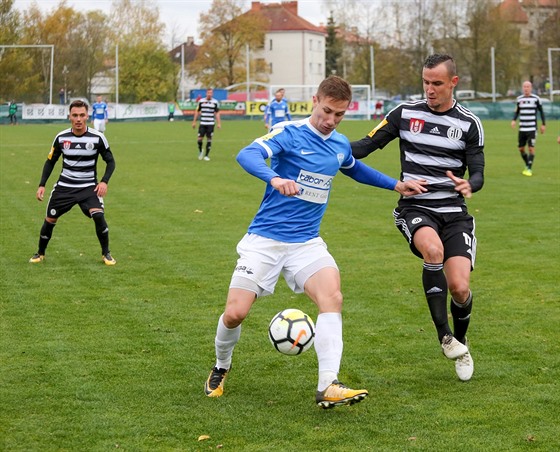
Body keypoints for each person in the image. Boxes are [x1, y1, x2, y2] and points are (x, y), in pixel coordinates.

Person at [203, 75, 427, 408]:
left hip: (306, 243)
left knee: (332, 296)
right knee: (235, 313)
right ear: (314, 101)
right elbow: (247, 155)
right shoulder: (289, 133)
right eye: (326, 111)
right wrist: (274, 178)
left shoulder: (338, 144)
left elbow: (353, 168)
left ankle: (328, 385)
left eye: (339, 115)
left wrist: (396, 185)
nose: (330, 121)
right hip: (265, 239)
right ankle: (221, 366)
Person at [351, 54, 485, 382]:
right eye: (426, 82)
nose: (430, 89)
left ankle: (461, 341)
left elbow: (479, 172)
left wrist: (471, 183)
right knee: (433, 251)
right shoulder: (404, 114)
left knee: (460, 288)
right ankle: (445, 336)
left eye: (437, 83)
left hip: (454, 215)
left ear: (453, 82)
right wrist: (324, 144)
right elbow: (366, 145)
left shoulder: (469, 124)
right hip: (416, 209)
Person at [29, 100, 117, 266]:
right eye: (75, 115)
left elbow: (111, 162)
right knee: (50, 219)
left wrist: (104, 182)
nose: (78, 119)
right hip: (65, 187)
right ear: (69, 116)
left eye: (82, 115)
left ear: (87, 116)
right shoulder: (61, 138)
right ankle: (40, 253)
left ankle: (106, 253)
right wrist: (42, 184)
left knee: (98, 215)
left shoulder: (98, 138)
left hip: (88, 187)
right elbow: (50, 162)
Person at [511, 81, 546, 177]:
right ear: (523, 88)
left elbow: (541, 112)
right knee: (521, 149)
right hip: (522, 128)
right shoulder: (519, 99)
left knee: (531, 148)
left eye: (528, 86)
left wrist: (543, 124)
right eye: (524, 86)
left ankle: (529, 168)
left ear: (531, 88)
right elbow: (517, 111)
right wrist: (514, 120)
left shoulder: (536, 99)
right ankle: (527, 164)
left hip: (532, 128)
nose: (526, 88)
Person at [192, 88, 221, 161]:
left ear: (212, 94)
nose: (209, 94)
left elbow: (217, 113)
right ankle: (200, 151)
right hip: (202, 123)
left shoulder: (215, 102)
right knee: (199, 139)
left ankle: (206, 155)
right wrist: (194, 122)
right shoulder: (201, 101)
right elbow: (197, 111)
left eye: (211, 93)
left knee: (209, 139)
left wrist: (219, 123)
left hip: (211, 123)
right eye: (208, 93)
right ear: (206, 93)